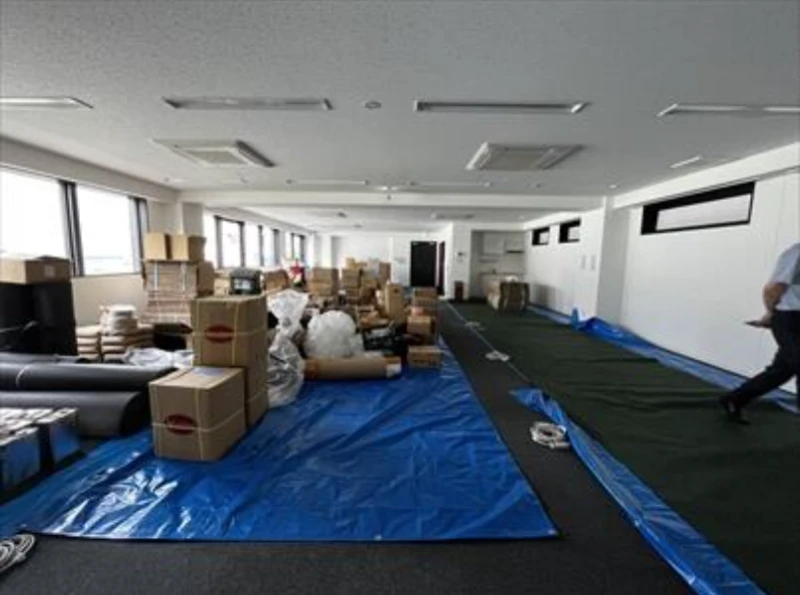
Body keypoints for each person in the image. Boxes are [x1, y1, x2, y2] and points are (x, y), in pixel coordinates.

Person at [719, 242, 800, 423]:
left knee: (782, 371)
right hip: (790, 318)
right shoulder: (796, 253)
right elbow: (773, 289)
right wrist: (770, 314)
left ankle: (735, 399)